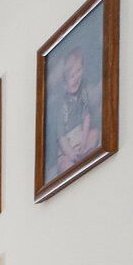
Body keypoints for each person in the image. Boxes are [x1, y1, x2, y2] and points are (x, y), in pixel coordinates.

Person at [54, 45, 99, 173]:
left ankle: (84, 155)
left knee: (95, 133)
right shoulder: (62, 106)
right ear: (64, 84)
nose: (76, 79)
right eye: (71, 76)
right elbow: (61, 137)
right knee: (63, 164)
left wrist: (84, 143)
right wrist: (71, 154)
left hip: (81, 139)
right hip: (67, 146)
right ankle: (75, 161)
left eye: (78, 71)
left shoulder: (82, 95)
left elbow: (86, 119)